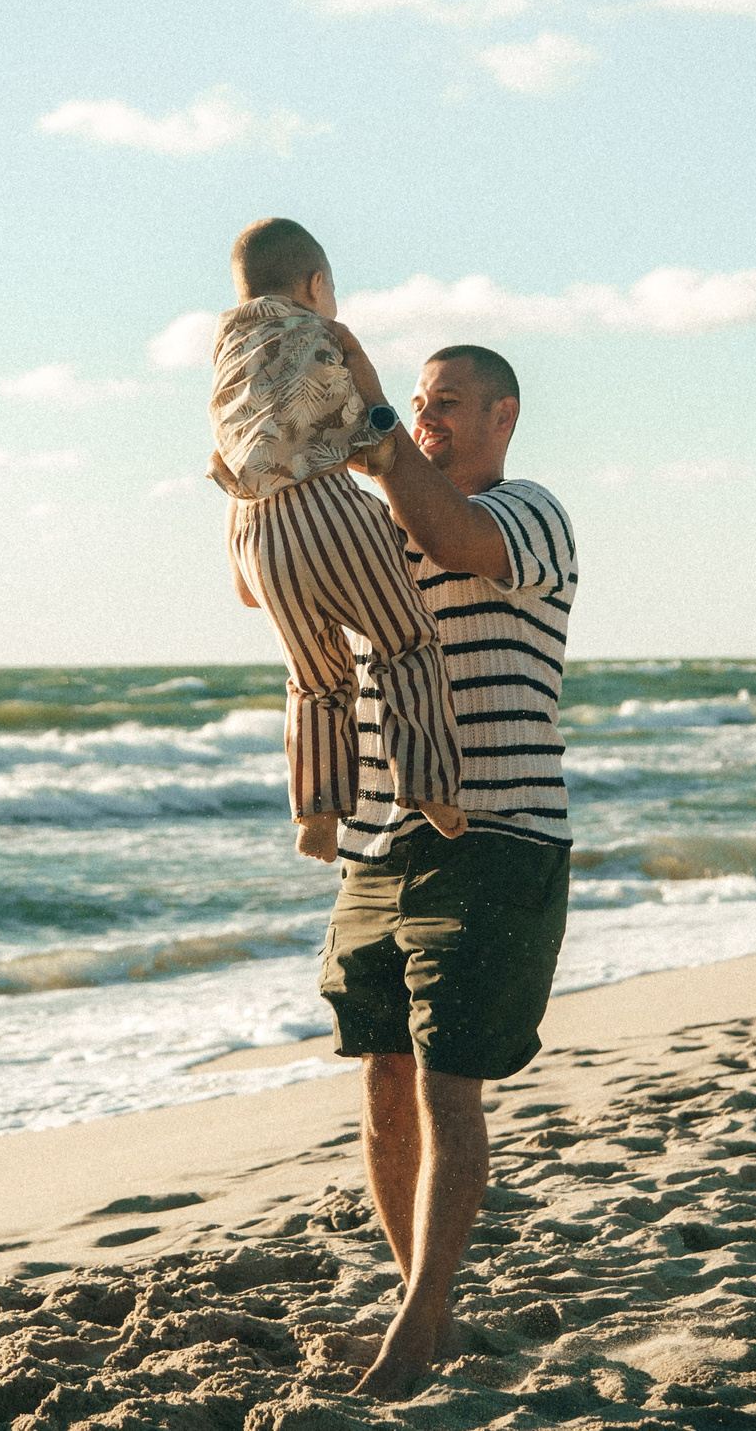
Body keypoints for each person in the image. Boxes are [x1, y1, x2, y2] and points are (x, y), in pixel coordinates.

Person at [309, 336, 579, 1396]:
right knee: (381, 1073)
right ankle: (427, 1300)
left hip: (499, 835)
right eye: (418, 401)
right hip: (380, 838)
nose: (424, 416)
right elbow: (274, 590)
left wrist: (374, 432)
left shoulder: (530, 515)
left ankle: (420, 1323)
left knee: (449, 1085)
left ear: (503, 417)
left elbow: (452, 533)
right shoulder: (389, 523)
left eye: (447, 402)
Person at [211, 216, 465, 861]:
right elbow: (361, 433)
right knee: (405, 641)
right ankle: (429, 785)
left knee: (315, 680)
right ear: (317, 283)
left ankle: (319, 810)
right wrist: (378, 425)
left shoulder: (226, 350)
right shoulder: (315, 334)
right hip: (324, 510)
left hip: (252, 531)